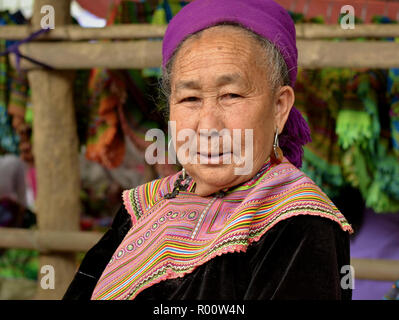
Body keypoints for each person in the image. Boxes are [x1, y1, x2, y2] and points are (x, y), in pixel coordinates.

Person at [64, 0, 353, 300]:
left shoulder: (300, 224)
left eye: (231, 95)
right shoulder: (144, 206)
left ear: (279, 108)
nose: (208, 126)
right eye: (190, 99)